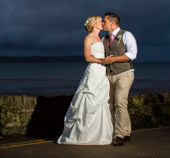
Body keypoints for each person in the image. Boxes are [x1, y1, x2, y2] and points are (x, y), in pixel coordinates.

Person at [57, 16, 113, 145]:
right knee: (89, 98)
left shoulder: (101, 38)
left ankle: (99, 133)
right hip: (94, 70)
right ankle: (82, 135)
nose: (102, 23)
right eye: (100, 21)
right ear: (94, 24)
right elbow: (88, 57)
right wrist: (102, 60)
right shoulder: (88, 38)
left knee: (101, 100)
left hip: (101, 72)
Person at [102, 12, 138, 146]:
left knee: (120, 102)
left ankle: (120, 135)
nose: (102, 23)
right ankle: (127, 131)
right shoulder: (104, 39)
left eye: (104, 21)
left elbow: (132, 54)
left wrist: (113, 59)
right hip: (110, 74)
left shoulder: (127, 35)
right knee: (112, 103)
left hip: (125, 73)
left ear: (112, 22)